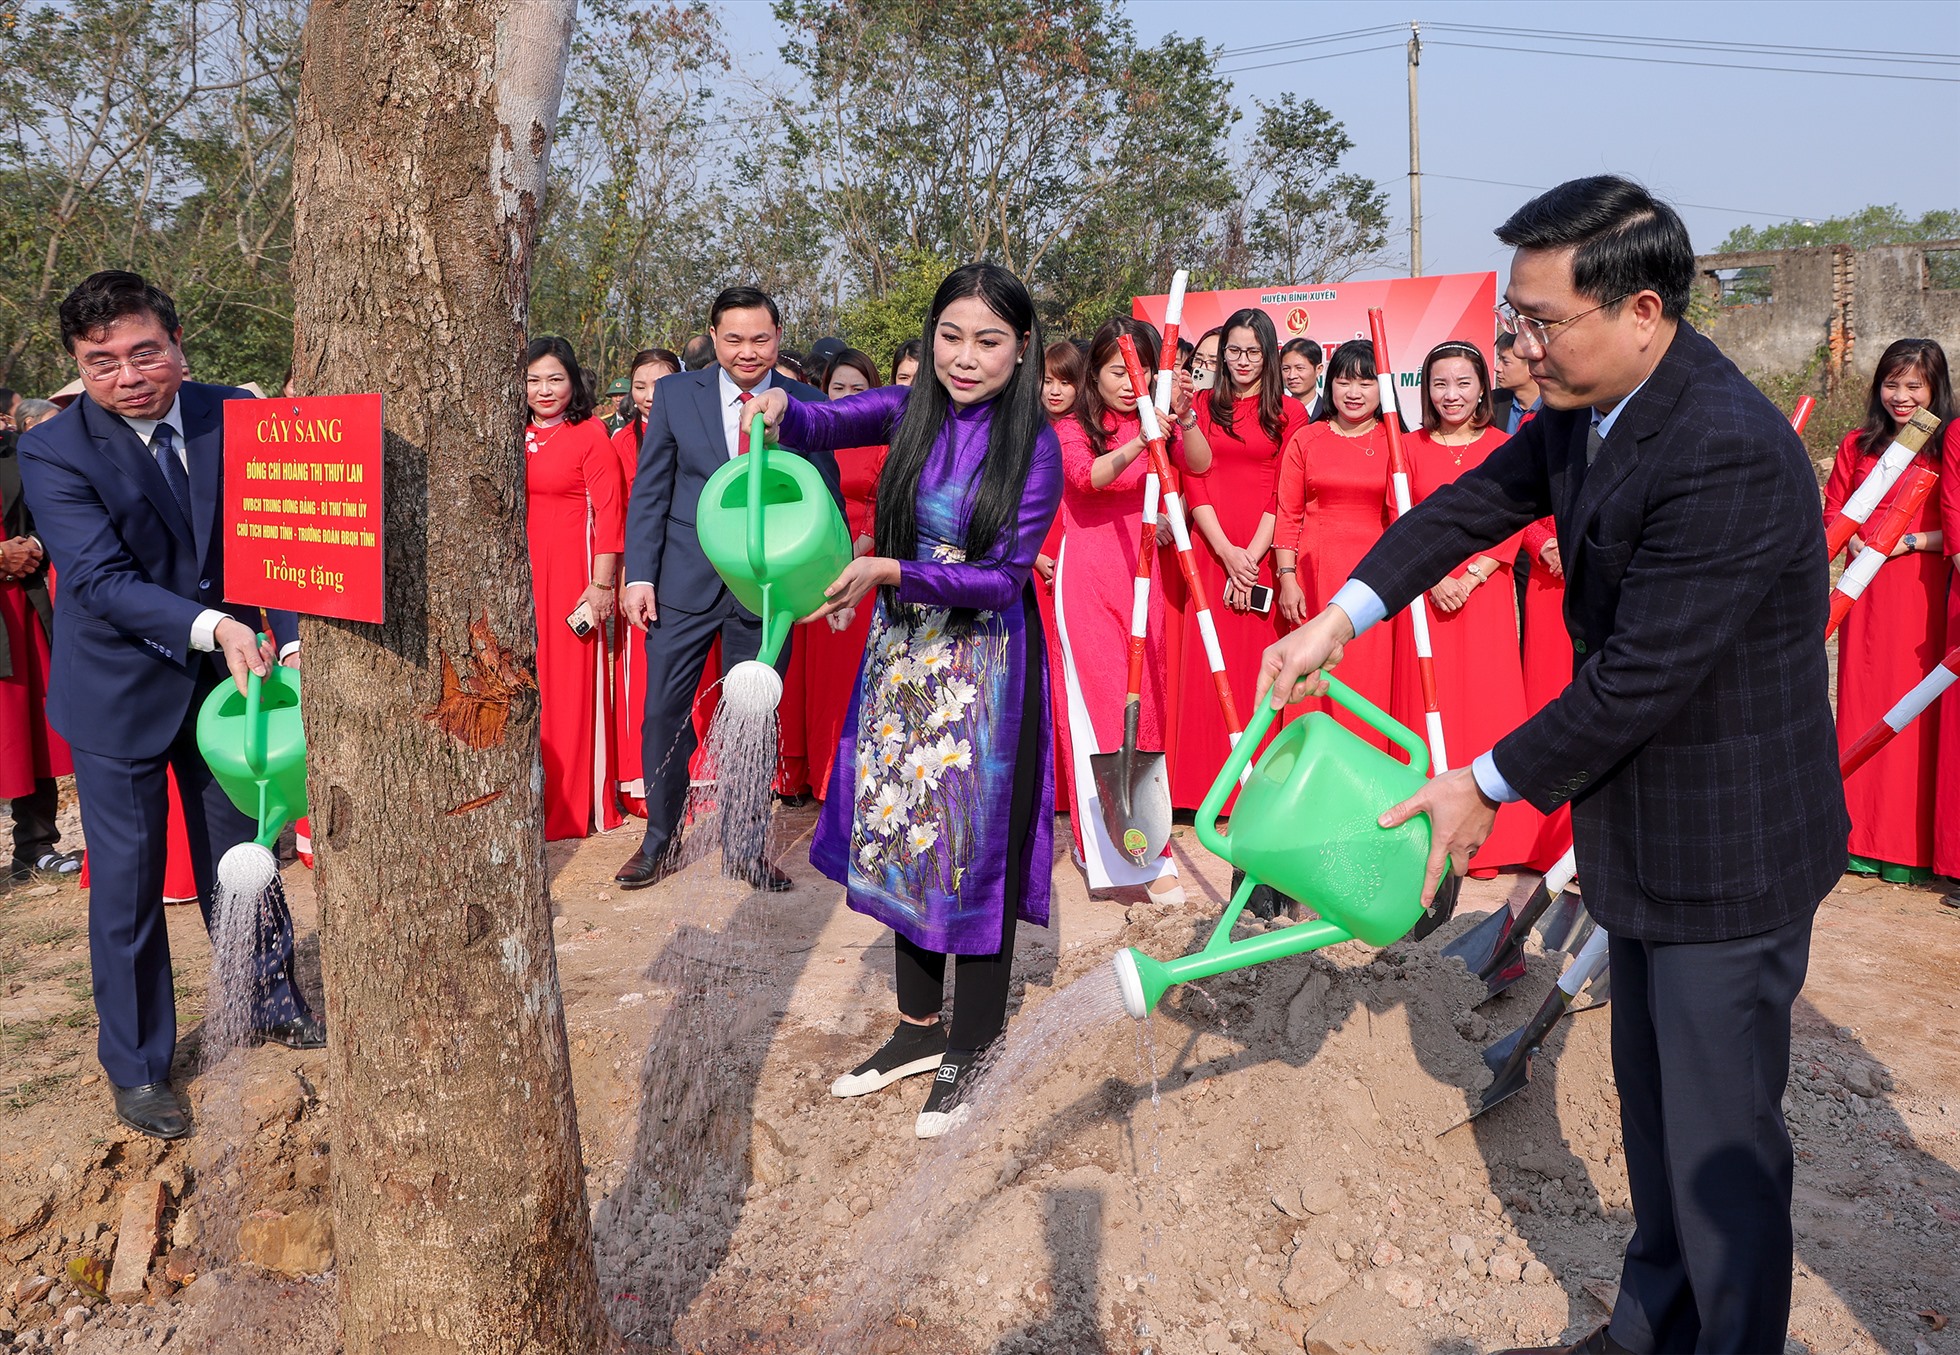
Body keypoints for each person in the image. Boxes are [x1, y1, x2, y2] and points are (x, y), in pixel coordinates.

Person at [1260, 177, 1849, 1355]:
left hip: (1728, 850)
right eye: (1511, 322)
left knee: (1720, 1144)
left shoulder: (1722, 447)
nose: (1518, 349)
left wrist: (1478, 785)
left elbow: (1638, 675)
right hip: (1647, 834)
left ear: (1640, 309)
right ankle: (1645, 1331)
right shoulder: (1591, 407)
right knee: (1653, 1110)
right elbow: (1475, 500)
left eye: (1538, 323)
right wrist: (1345, 612)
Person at [746, 262, 1062, 1137]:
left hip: (984, 674)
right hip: (902, 661)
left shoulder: (1032, 441)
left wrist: (889, 570)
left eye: (989, 341)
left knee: (969, 849)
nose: (965, 358)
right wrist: (782, 405)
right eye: (951, 336)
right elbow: (829, 416)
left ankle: (975, 1038)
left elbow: (1003, 580)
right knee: (901, 836)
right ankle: (918, 1029)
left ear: (1021, 348)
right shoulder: (913, 409)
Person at [19, 270, 321, 1141]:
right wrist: (216, 623)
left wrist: (293, 637)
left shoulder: (241, 415)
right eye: (101, 360)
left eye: (145, 350)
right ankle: (141, 1064)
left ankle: (268, 995)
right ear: (77, 367)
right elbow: (104, 580)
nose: (129, 373)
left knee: (246, 851)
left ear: (178, 345)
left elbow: (288, 532)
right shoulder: (54, 447)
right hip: (119, 692)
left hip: (234, 688)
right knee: (129, 884)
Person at [616, 287, 840, 891]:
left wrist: (822, 585)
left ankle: (744, 846)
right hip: (680, 581)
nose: (748, 351)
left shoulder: (808, 403)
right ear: (713, 337)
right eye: (735, 338)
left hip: (766, 589)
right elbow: (652, 492)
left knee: (754, 716)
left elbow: (825, 498)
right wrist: (639, 575)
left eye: (761, 339)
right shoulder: (674, 395)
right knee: (664, 713)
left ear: (778, 337)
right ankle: (660, 838)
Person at [1051, 317, 1208, 900]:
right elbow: (1086, 478)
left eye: (1140, 372)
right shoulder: (1072, 427)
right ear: (1095, 373)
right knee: (1102, 711)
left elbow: (1199, 466)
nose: (1128, 383)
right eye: (1118, 371)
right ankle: (1111, 856)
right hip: (1090, 580)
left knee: (1148, 710)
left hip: (1143, 579)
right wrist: (1140, 441)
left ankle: (1149, 842)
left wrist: (1182, 420)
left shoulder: (1162, 420)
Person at [1386, 340, 1540, 873]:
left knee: (1484, 705)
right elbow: (1397, 516)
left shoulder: (1507, 443)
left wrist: (1473, 573)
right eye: (1440, 384)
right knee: (1424, 708)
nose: (1451, 395)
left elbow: (1519, 514)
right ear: (1425, 390)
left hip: (1487, 594)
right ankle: (1419, 837)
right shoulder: (1406, 447)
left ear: (1481, 389)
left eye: (1463, 383)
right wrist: (1432, 578)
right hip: (1423, 599)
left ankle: (1487, 842)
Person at [1824, 339, 1950, 883]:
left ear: (1935, 388)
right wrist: (1850, 540)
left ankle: (1903, 848)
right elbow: (1833, 509)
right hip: (1861, 593)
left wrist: (1911, 542)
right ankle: (1853, 836)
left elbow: (1957, 523)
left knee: (1912, 715)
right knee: (1857, 703)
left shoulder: (1948, 445)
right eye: (1892, 384)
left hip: (1919, 592)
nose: (1901, 396)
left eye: (1914, 386)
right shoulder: (1858, 443)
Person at [1174, 309, 1304, 809]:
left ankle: (1259, 790)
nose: (1243, 360)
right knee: (1209, 664)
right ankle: (1200, 790)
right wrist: (1226, 552)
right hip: (1210, 549)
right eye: (1234, 350)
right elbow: (1193, 476)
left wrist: (1250, 557)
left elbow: (1286, 492)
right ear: (1221, 352)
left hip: (1265, 553)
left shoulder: (1289, 413)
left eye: (1253, 351)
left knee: (1257, 671)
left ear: (1269, 353)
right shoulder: (1202, 405)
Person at [523, 336, 626, 842]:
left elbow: (610, 515)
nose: (544, 390)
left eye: (554, 378)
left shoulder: (590, 434)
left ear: (573, 381)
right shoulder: (509, 433)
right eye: (534, 379)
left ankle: (574, 805)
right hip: (519, 579)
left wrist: (601, 584)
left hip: (573, 574)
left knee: (568, 686)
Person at [1271, 339, 1396, 748]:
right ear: (1330, 385)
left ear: (1384, 389)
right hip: (1314, 572)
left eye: (1366, 383)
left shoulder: (1397, 444)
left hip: (1376, 579)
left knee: (1367, 684)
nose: (1354, 393)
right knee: (1313, 675)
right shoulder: (1307, 440)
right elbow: (1288, 515)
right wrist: (1287, 577)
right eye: (1344, 382)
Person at [790, 348, 888, 802]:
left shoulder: (886, 439)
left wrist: (848, 558)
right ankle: (806, 771)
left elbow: (883, 508)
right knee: (810, 681)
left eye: (858, 389)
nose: (846, 396)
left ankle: (844, 779)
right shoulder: (812, 436)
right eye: (838, 388)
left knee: (847, 679)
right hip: (813, 564)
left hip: (860, 566)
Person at [0, 396, 76, 879]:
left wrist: (34, 546)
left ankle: (34, 844)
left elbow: (56, 514)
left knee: (27, 729)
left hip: (18, 610)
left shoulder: (21, 452)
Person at [609, 347, 682, 816]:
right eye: (640, 385)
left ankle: (694, 778)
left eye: (661, 384)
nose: (650, 395)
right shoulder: (619, 443)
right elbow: (618, 513)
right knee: (643, 678)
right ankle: (641, 783)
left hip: (689, 565)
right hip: (641, 567)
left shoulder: (697, 434)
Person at [1035, 341, 1082, 813]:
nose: (1054, 390)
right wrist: (1029, 557)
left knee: (1066, 673)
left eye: (1065, 381)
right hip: (1027, 561)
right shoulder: (1020, 431)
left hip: (1073, 559)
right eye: (1047, 380)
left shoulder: (1085, 433)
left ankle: (1068, 787)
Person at [1491, 331, 1542, 434]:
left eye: (1506, 362)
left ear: (1532, 366)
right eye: (1499, 359)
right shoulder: (1492, 402)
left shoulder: (1557, 407)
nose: (1497, 368)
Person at [1279, 337, 1324, 420]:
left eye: (1300, 368)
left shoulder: (1330, 414)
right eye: (1286, 369)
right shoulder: (1275, 413)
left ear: (1318, 369)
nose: (1291, 376)